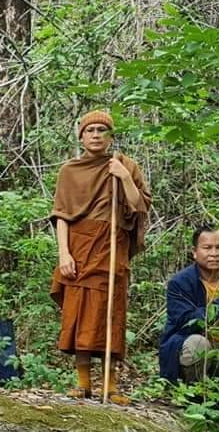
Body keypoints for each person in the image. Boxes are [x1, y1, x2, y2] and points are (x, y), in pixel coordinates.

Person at [50, 110, 151, 403]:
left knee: (110, 312)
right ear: (81, 136)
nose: (96, 135)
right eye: (90, 130)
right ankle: (83, 382)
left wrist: (124, 179)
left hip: (111, 246)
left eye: (102, 130)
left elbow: (139, 206)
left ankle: (110, 385)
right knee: (79, 312)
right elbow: (61, 216)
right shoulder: (70, 170)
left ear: (110, 136)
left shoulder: (124, 165)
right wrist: (64, 254)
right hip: (80, 248)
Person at [159, 225, 219, 382]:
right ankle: (196, 392)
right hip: (200, 351)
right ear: (194, 252)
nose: (214, 253)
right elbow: (187, 324)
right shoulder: (180, 283)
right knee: (197, 344)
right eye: (207, 248)